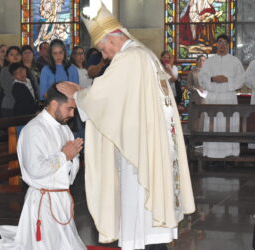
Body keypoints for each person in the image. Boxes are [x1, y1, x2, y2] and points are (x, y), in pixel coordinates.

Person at [57, 4, 195, 250]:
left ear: (112, 38)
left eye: (103, 49)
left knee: (140, 208)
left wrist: (79, 96)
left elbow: (104, 98)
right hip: (152, 143)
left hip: (139, 151)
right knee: (152, 222)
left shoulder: (129, 58)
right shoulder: (145, 54)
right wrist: (86, 93)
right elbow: (119, 98)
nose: (105, 56)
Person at [0, 83, 85, 250]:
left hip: (61, 197)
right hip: (43, 200)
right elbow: (34, 169)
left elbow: (71, 164)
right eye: (69, 109)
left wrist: (72, 158)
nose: (72, 115)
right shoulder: (34, 129)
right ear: (54, 104)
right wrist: (65, 155)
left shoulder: (64, 129)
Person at [199, 34, 244, 158]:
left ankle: (230, 155)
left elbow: (241, 79)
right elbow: (202, 78)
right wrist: (213, 79)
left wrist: (227, 80)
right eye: (220, 42)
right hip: (213, 98)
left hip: (229, 97)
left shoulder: (235, 61)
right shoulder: (209, 62)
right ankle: (212, 155)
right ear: (216, 44)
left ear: (228, 45)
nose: (222, 45)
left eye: (225, 42)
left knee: (229, 126)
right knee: (212, 126)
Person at [0, 46, 22, 117]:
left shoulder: (25, 69)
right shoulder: (5, 70)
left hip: (23, 106)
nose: (15, 56)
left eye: (17, 54)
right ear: (7, 57)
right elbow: (9, 89)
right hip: (10, 106)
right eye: (12, 55)